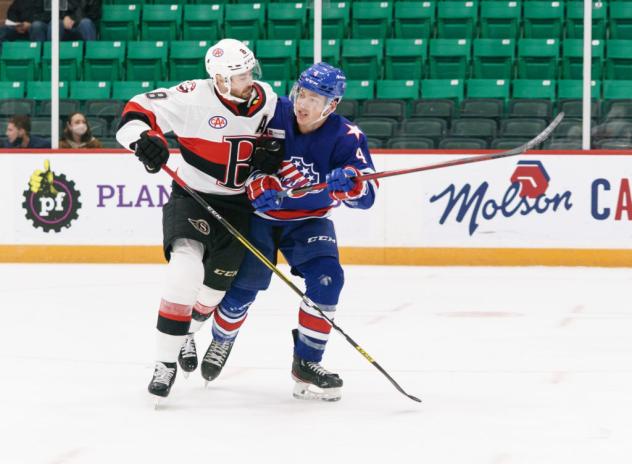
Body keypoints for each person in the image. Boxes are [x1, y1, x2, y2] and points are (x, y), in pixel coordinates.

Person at [195, 62, 378, 401]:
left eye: (315, 99)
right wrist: (255, 182)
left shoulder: (346, 136)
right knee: (243, 291)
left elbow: (368, 196)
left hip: (309, 221)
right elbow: (238, 159)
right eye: (301, 94)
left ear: (332, 105)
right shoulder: (272, 113)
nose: (303, 104)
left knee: (328, 279)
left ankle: (307, 362)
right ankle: (222, 339)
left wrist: (351, 185)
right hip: (261, 219)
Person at [115, 38, 278, 402]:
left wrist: (272, 156)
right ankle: (164, 363)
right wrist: (143, 140)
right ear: (219, 79)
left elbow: (280, 141)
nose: (248, 80)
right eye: (239, 75)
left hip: (238, 207)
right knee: (183, 271)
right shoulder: (192, 96)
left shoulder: (266, 98)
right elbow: (135, 111)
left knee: (211, 294)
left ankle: (187, 333)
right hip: (193, 196)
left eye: (250, 71)